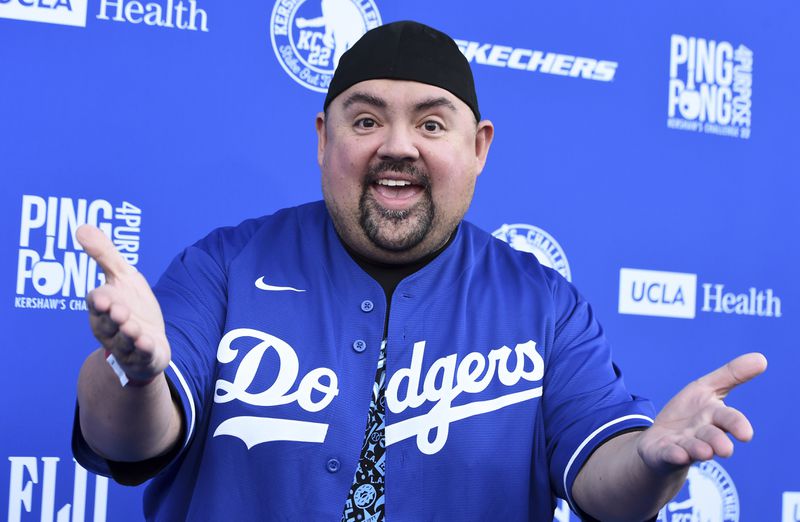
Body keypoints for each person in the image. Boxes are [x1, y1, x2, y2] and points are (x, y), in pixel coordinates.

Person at [72, 20, 767, 522]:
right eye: (367, 119)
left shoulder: (543, 304)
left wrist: (651, 462)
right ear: (324, 138)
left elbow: (598, 476)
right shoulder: (224, 266)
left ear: (479, 147)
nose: (397, 146)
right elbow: (126, 441)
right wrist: (133, 370)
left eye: (432, 125)